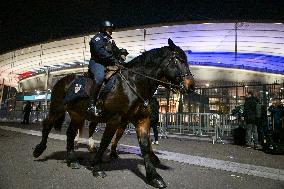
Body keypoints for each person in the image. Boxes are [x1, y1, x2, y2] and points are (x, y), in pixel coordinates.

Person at [87, 20, 123, 117]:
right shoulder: (97, 38)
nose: (111, 31)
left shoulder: (109, 40)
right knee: (99, 78)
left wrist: (121, 54)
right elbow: (101, 53)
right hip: (97, 63)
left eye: (111, 29)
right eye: (109, 29)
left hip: (108, 63)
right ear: (103, 29)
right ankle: (91, 104)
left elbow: (116, 51)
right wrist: (114, 60)